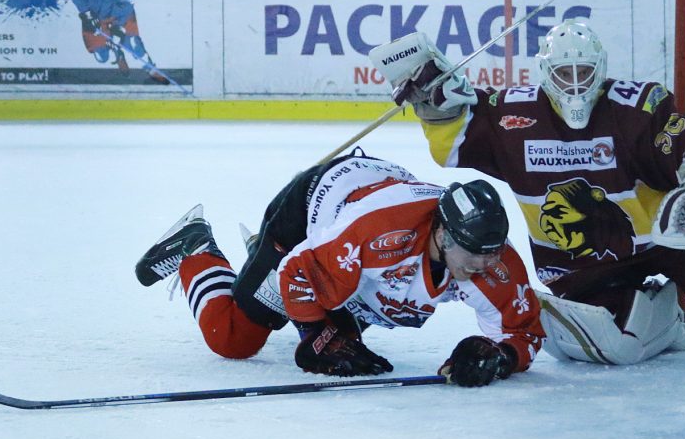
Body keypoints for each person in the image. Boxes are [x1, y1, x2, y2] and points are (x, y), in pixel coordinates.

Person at [376, 19, 685, 367]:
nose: (574, 84)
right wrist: (438, 108)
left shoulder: (635, 107)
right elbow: (455, 142)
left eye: (583, 72)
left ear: (600, 69)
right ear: (544, 71)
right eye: (563, 74)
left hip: (658, 244)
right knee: (616, 348)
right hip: (577, 268)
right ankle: (669, 320)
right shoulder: (514, 115)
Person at [135, 152, 545, 387]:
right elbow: (297, 271)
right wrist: (315, 334)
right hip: (306, 222)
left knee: (345, 335)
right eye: (470, 254)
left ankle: (268, 284)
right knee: (233, 340)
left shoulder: (493, 259)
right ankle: (196, 248)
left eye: (491, 256)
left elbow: (523, 331)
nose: (481, 267)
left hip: (352, 249)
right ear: (441, 231)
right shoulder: (378, 233)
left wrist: (500, 355)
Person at [71, 0, 167, 83]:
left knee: (133, 42)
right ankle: (115, 50)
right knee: (101, 57)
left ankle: (151, 69)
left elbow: (126, 6)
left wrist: (118, 27)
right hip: (94, 16)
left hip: (121, 15)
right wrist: (87, 14)